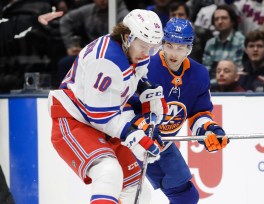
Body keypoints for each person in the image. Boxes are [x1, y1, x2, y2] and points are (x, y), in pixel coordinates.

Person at [48, 9, 168, 204]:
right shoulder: (105, 61)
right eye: (144, 46)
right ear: (128, 37)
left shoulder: (134, 50)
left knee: (138, 192)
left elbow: (132, 78)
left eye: (153, 48)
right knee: (108, 172)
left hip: (102, 124)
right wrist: (134, 135)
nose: (147, 53)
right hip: (74, 120)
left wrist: (147, 92)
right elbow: (100, 115)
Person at [136, 18, 229, 204]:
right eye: (169, 45)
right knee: (129, 195)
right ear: (162, 43)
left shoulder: (199, 74)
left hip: (164, 144)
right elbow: (126, 107)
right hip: (132, 141)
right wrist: (141, 128)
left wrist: (209, 131)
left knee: (186, 197)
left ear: (189, 49)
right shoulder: (144, 68)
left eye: (180, 47)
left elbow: (199, 113)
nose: (174, 53)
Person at [202, 4, 245, 84]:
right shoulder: (210, 43)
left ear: (232, 21)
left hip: (234, 85)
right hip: (212, 87)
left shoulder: (241, 41)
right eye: (216, 19)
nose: (220, 22)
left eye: (224, 18)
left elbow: (238, 70)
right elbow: (206, 70)